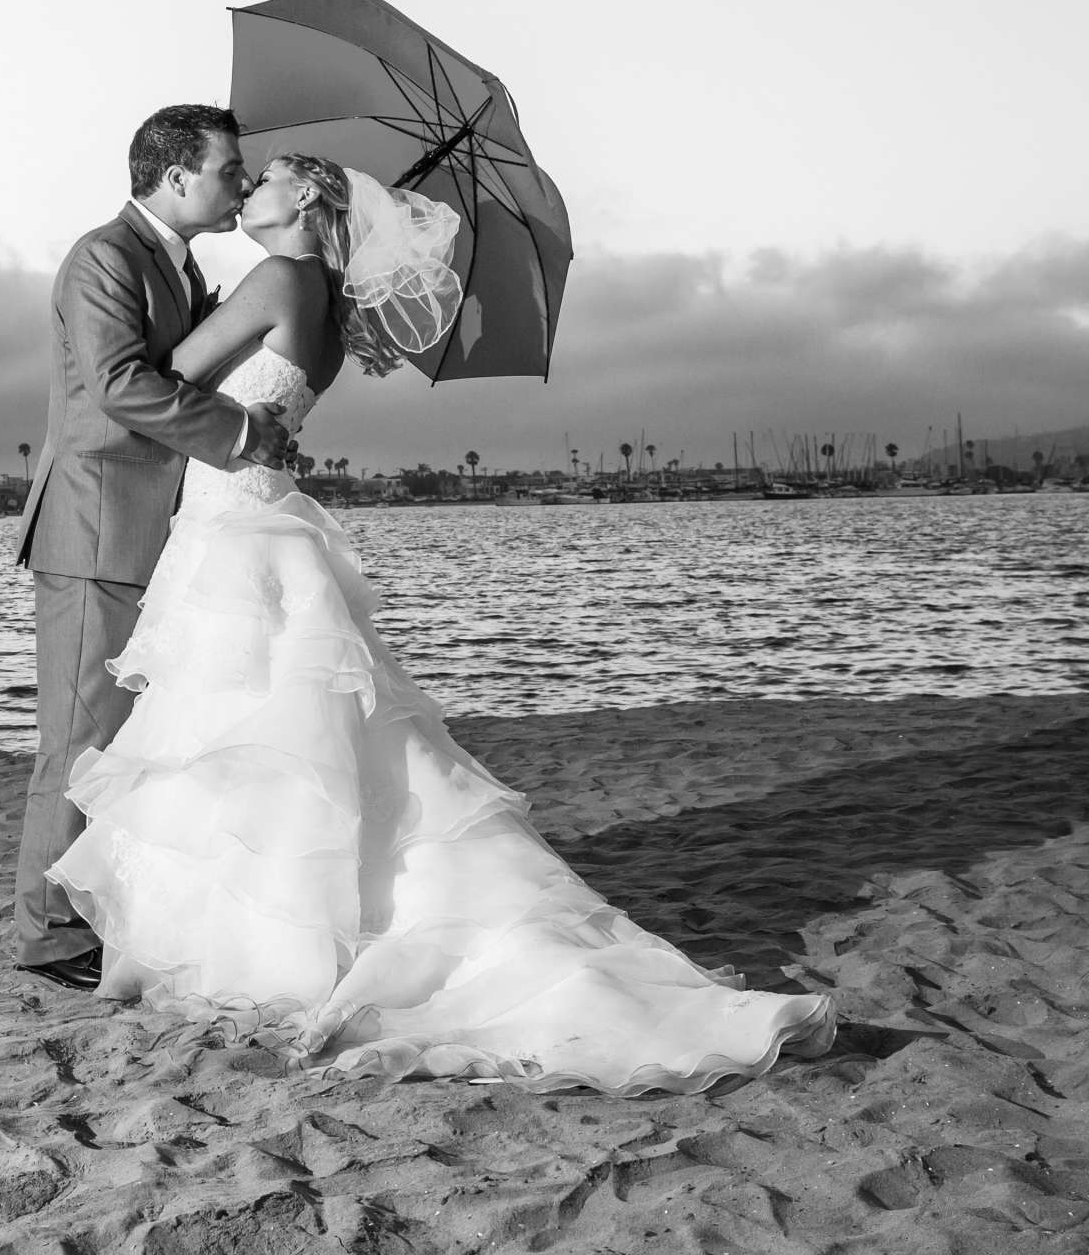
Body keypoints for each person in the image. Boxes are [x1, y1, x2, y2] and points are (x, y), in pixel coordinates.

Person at [43, 152, 836, 1093]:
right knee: (276, 737)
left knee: (247, 736)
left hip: (237, 526)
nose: (246, 187)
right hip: (253, 512)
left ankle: (258, 939)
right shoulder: (318, 297)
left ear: (304, 199)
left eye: (261, 181)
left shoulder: (276, 277)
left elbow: (160, 374)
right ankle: (280, 927)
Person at [12, 105, 298, 991]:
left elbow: (189, 363)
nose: (240, 183)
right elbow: (122, 385)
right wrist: (246, 434)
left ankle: (101, 905)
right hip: (95, 529)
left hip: (156, 530)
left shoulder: (177, 267)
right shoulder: (103, 258)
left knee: (130, 739)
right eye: (227, 169)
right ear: (175, 178)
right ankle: (49, 934)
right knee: (78, 738)